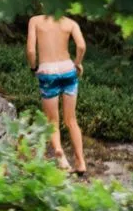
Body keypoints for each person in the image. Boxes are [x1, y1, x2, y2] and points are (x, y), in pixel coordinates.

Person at [27, 12, 88, 176]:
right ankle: (80, 162)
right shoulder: (70, 23)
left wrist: (33, 67)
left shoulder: (35, 21)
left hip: (48, 71)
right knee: (71, 119)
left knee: (52, 120)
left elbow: (31, 51)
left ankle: (60, 153)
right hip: (68, 69)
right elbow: (81, 46)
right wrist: (78, 63)